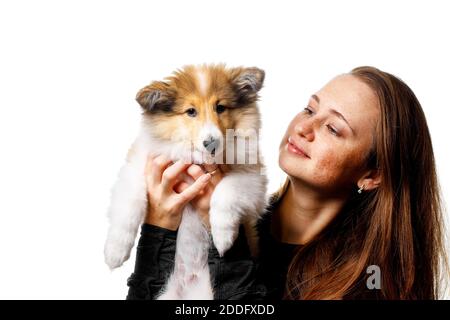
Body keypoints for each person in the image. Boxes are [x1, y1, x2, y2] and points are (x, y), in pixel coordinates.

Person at [126, 66, 448, 300]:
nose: (305, 127)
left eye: (333, 129)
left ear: (372, 175)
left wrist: (226, 239)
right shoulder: (246, 219)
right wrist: (158, 228)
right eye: (309, 108)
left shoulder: (370, 282)